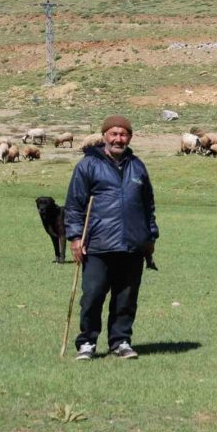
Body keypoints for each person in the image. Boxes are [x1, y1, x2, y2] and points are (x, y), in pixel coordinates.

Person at [65, 115, 158, 360]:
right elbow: (74, 205)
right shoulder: (87, 165)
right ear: (104, 135)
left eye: (123, 134)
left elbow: (148, 205)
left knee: (125, 298)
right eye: (114, 134)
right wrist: (75, 237)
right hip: (97, 243)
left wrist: (151, 237)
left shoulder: (137, 166)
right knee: (93, 295)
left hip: (132, 244)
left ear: (130, 137)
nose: (119, 139)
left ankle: (121, 341)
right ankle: (87, 342)